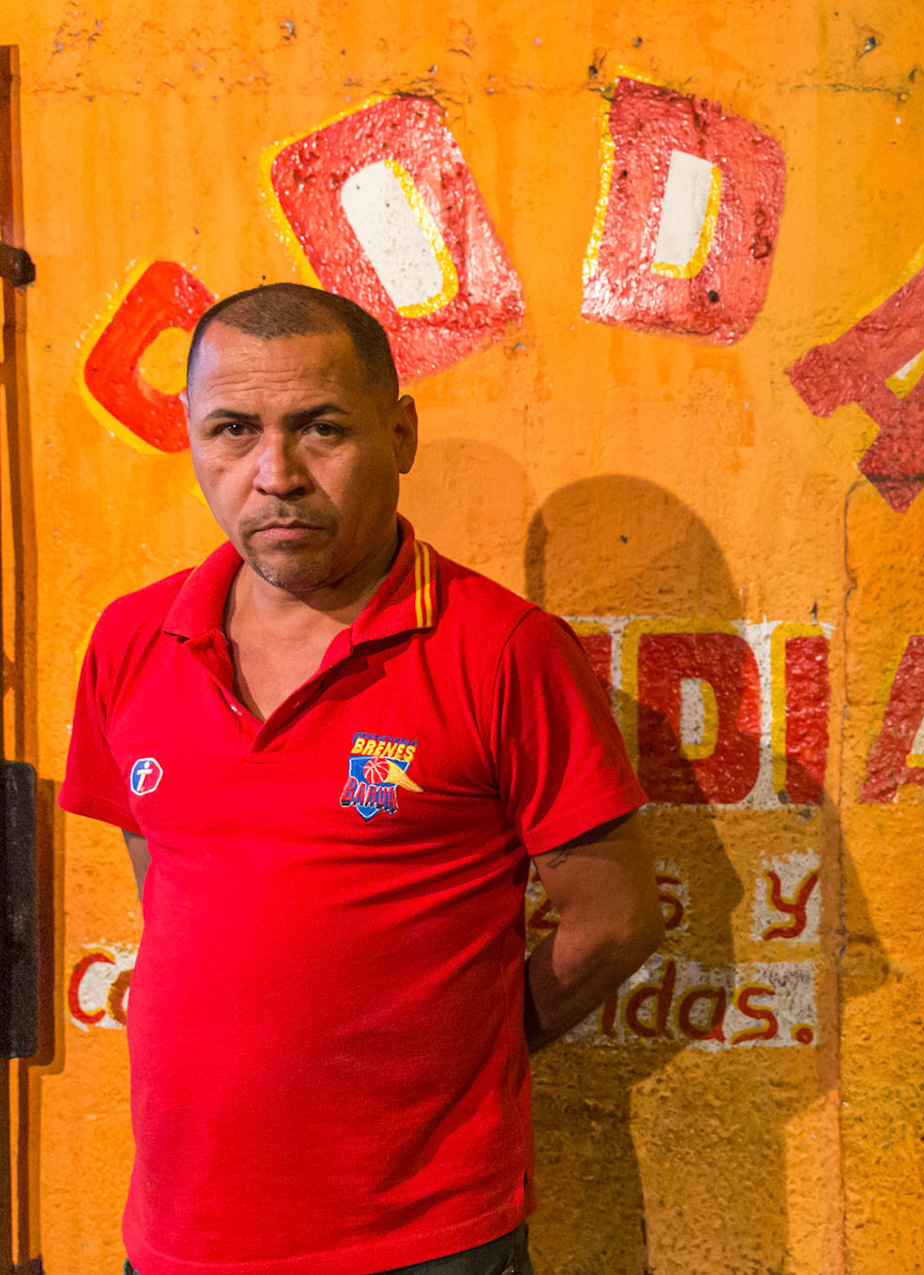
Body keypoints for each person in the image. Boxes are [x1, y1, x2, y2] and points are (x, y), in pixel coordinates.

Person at [58, 284, 665, 1275]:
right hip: (179, 1240)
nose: (275, 474)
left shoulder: (503, 650)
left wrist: (455, 1061)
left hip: (423, 1240)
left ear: (401, 434)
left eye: (321, 428)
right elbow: (165, 887)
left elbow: (614, 921)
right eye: (232, 430)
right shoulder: (133, 640)